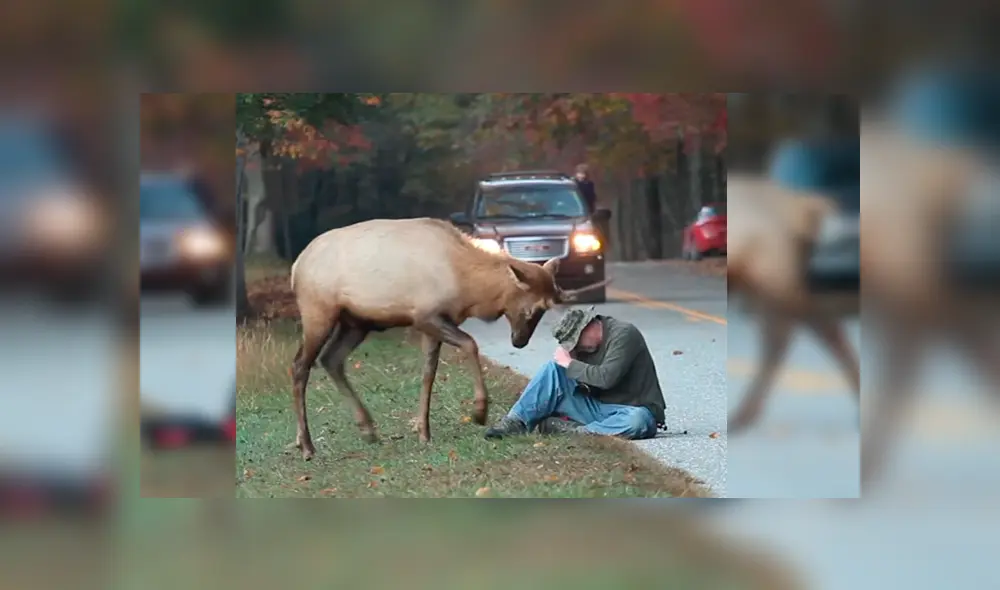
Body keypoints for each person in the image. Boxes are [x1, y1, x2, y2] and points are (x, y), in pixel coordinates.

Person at [484, 306, 665, 440]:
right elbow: (576, 381)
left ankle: (574, 431)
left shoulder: (624, 334)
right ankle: (516, 422)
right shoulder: (584, 348)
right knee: (553, 369)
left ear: (589, 327)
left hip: (632, 410)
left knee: (637, 421)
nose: (576, 348)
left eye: (576, 342)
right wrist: (566, 365)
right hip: (595, 408)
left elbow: (606, 378)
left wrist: (569, 363)